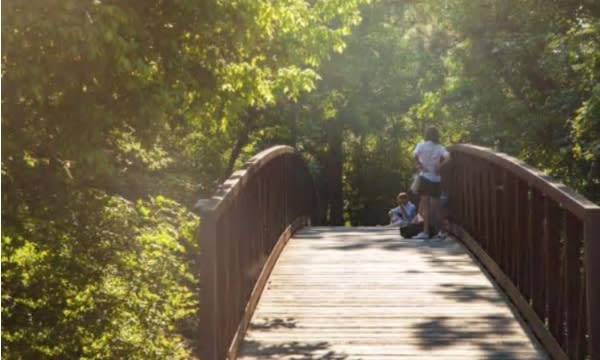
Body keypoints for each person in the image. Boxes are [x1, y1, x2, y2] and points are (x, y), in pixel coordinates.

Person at [412, 127, 450, 239]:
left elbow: (414, 155)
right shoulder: (440, 147)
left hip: (425, 177)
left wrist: (420, 165)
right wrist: (440, 166)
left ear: (426, 135)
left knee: (426, 205)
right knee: (438, 206)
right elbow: (448, 157)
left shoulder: (421, 145)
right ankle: (442, 231)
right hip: (436, 179)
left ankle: (425, 232)